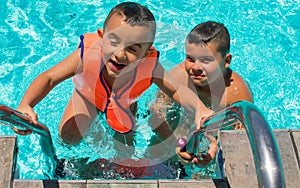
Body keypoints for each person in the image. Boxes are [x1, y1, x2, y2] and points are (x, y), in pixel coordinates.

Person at [16, 2, 212, 146]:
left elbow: (176, 89)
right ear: (101, 38)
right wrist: (26, 104)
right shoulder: (87, 56)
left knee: (124, 145)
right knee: (70, 136)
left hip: (126, 101)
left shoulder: (150, 66)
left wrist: (200, 108)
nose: (120, 54)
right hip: (88, 96)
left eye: (133, 49)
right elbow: (49, 78)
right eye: (114, 41)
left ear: (147, 53)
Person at [149, 21, 253, 166]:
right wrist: (176, 144)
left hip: (215, 136)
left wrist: (215, 149)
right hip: (179, 133)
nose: (196, 67)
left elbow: (242, 139)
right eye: (190, 58)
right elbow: (156, 114)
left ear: (226, 61)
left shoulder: (235, 94)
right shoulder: (180, 77)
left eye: (206, 60)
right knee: (154, 154)